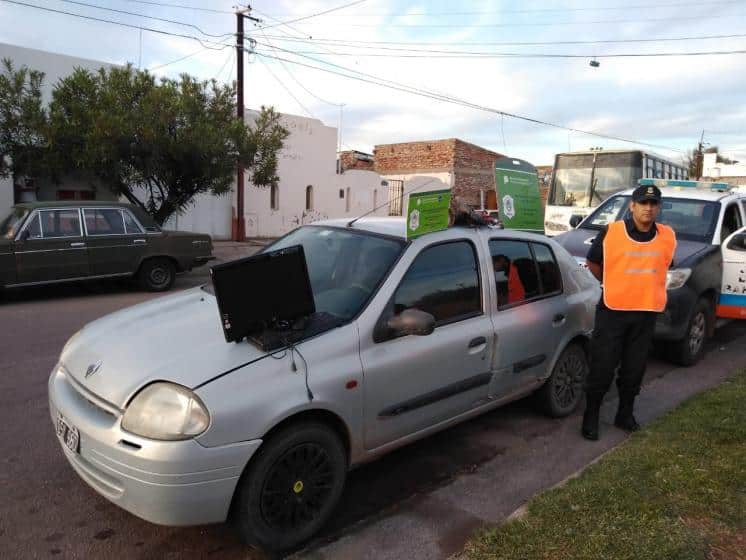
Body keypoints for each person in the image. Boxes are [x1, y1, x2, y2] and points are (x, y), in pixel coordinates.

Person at [581, 184, 676, 441]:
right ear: (632, 206)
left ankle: (624, 414)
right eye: (643, 203)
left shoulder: (667, 236)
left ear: (658, 208)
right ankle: (590, 417)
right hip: (613, 311)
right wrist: (612, 283)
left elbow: (664, 265)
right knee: (602, 368)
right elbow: (593, 262)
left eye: (653, 204)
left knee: (634, 370)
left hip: (645, 313)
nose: (648, 208)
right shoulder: (612, 232)